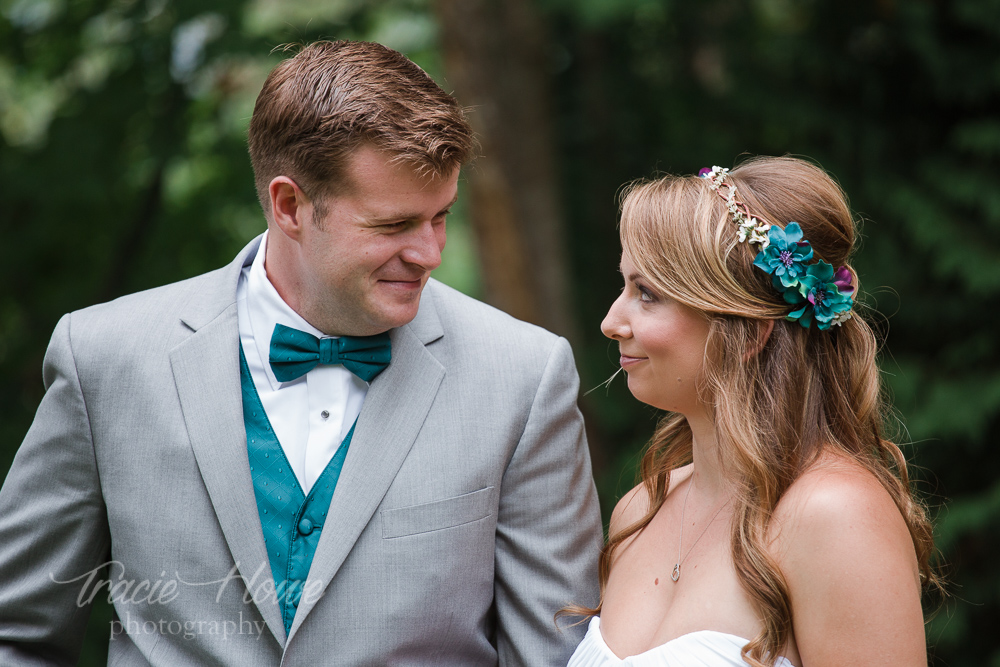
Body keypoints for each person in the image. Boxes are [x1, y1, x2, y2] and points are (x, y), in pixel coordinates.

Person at [0, 40, 603, 666]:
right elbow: (15, 633)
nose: (430, 253)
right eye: (394, 225)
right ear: (290, 205)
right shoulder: (105, 358)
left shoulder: (523, 377)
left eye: (441, 217)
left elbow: (553, 657)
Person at [567, 157, 940, 666]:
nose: (612, 321)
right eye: (624, 285)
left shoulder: (836, 516)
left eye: (646, 294)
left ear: (746, 332)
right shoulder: (639, 511)